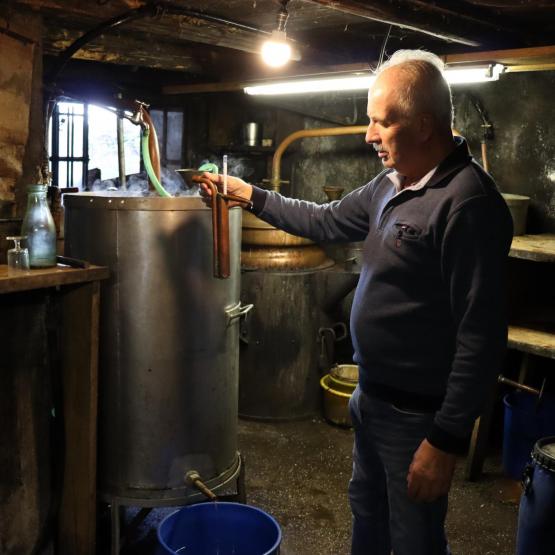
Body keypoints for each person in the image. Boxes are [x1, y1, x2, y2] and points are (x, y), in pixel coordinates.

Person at [198, 50, 513, 555]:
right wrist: (248, 194)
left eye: (379, 123)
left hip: (418, 418)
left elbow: (481, 334)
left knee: (414, 539)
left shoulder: (468, 204)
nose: (368, 136)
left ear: (425, 125)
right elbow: (323, 220)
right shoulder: (390, 184)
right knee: (368, 516)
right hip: (371, 397)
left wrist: (445, 440)